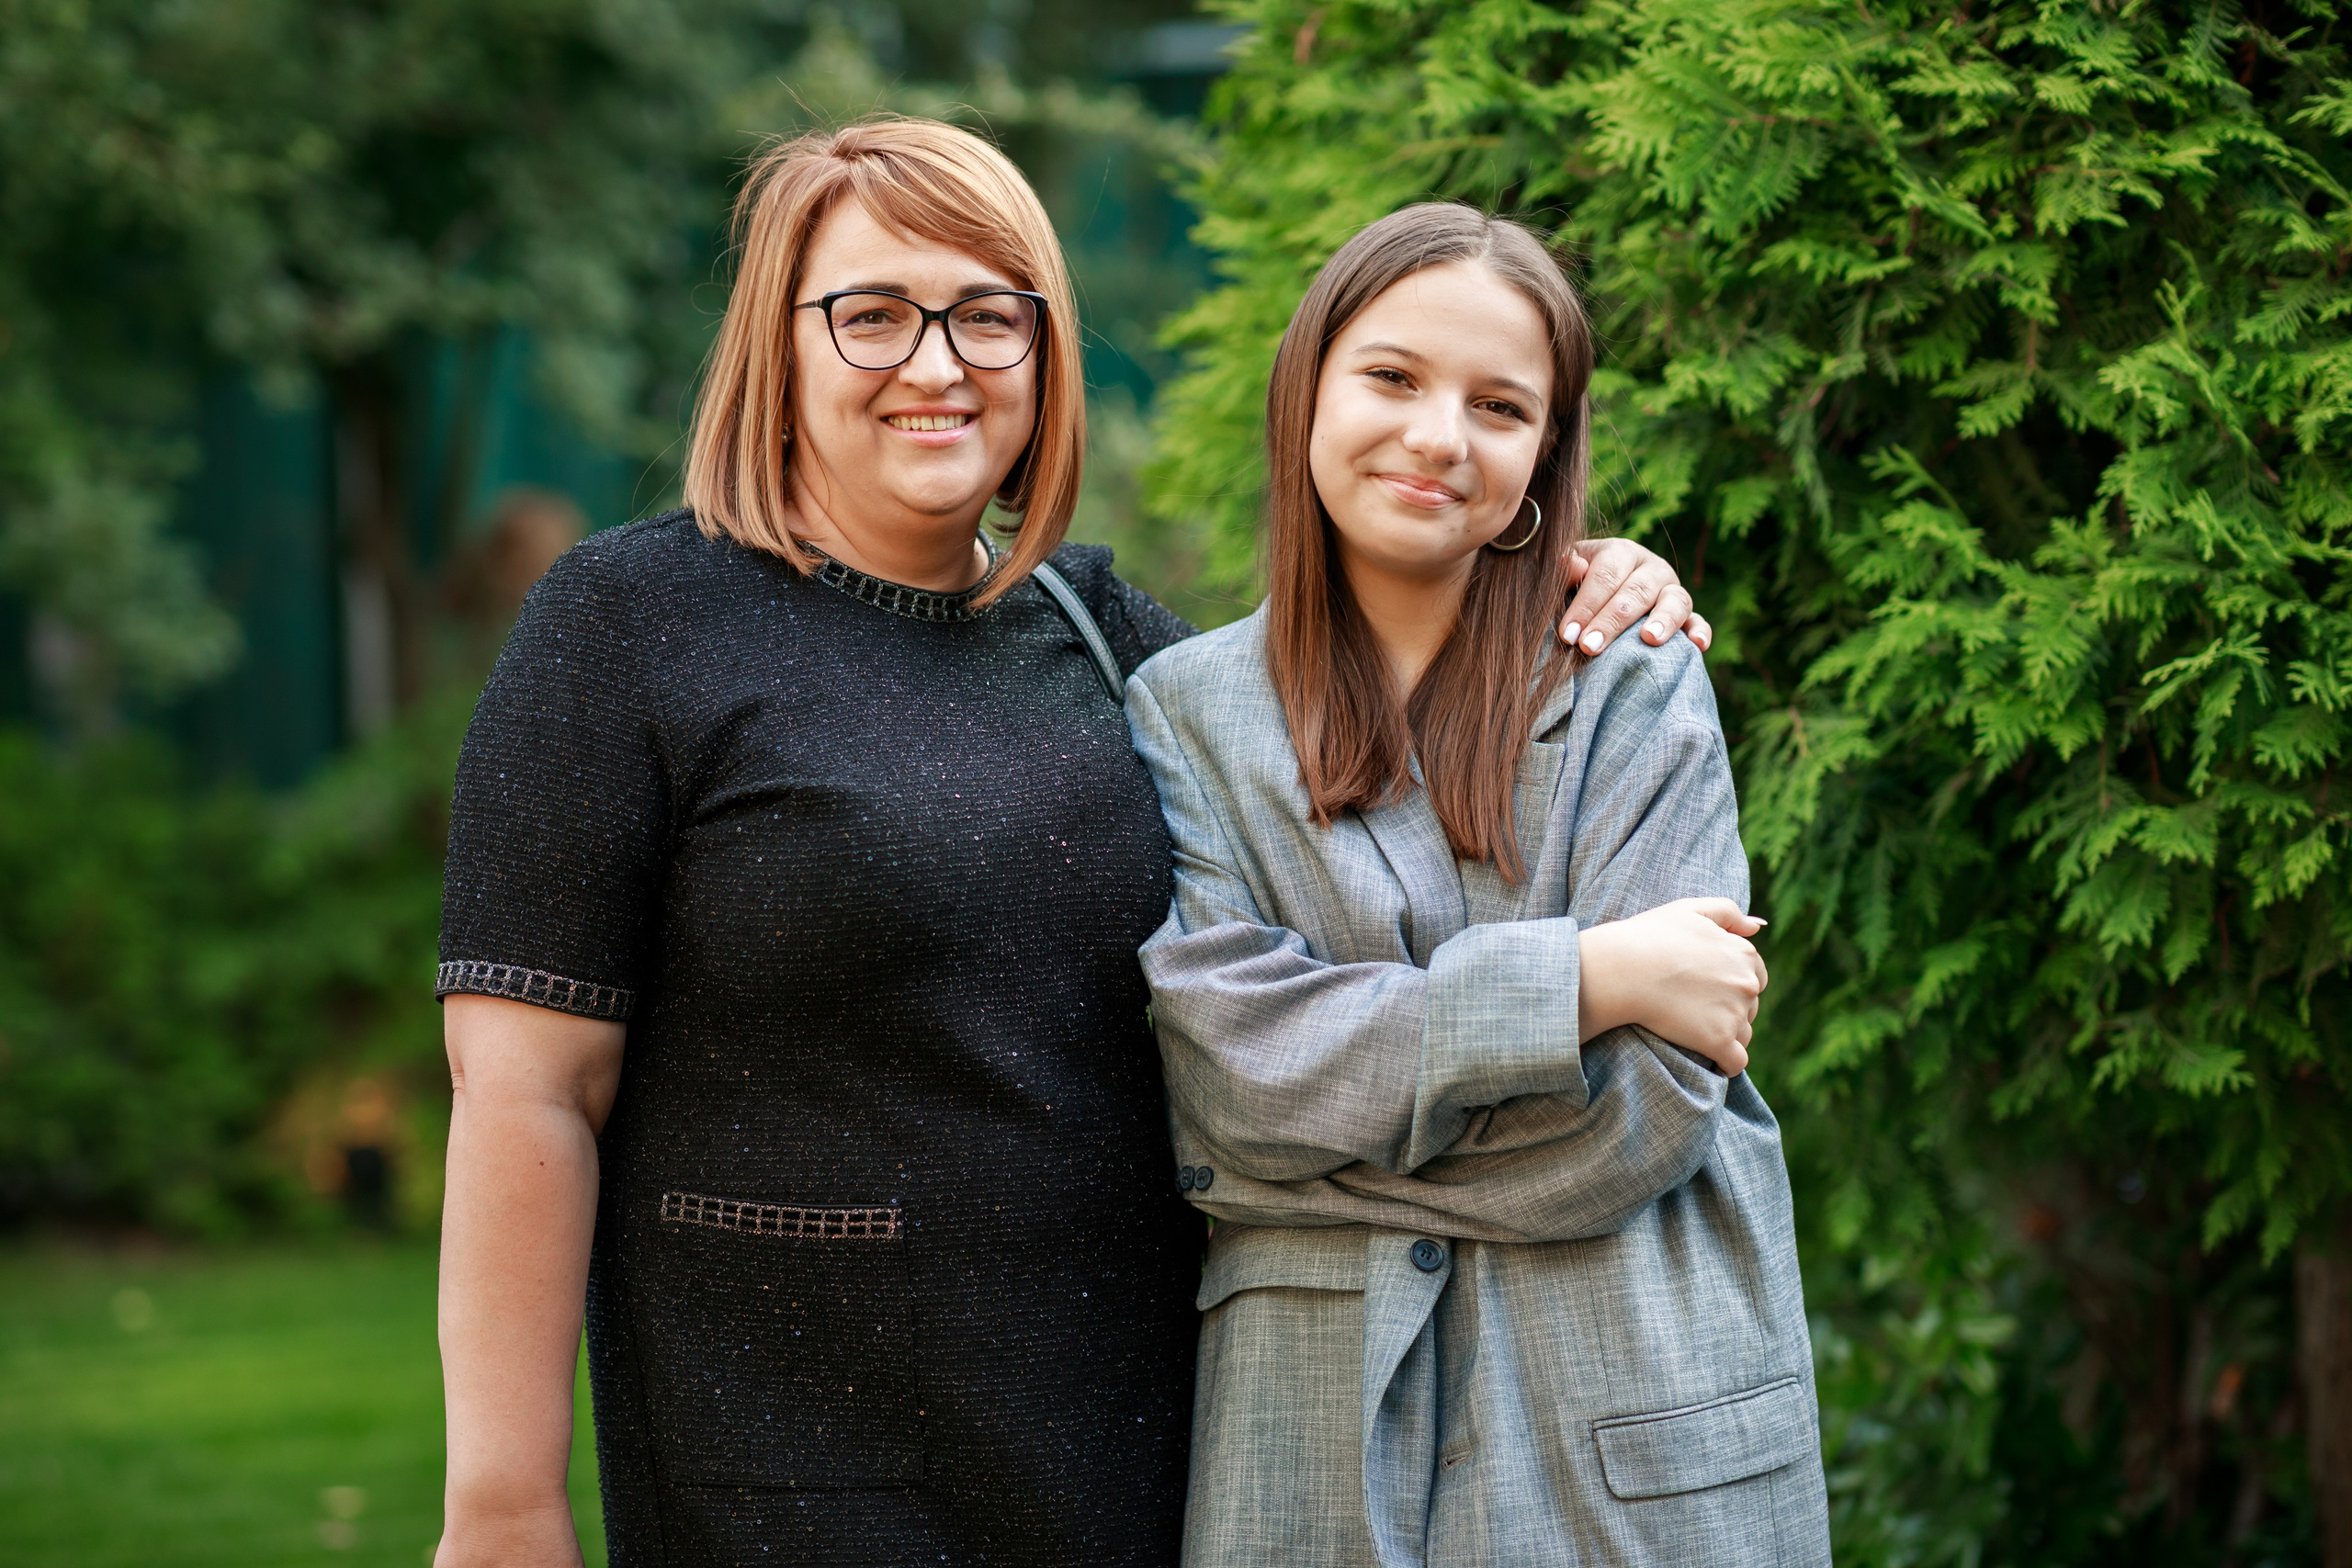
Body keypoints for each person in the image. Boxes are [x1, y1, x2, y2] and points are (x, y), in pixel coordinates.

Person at [430, 119, 1705, 1568]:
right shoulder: (629, 626)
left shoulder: (1116, 643)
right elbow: (528, 1090)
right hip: (789, 1456)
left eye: (989, 316)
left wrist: (1564, 572)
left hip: (1142, 1447)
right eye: (871, 315)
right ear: (774, 346)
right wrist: (504, 1505)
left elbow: (1389, 797)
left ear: (1043, 354)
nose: (938, 363)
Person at [1127, 203, 1830, 1566]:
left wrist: (1311, 1157)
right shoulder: (1187, 713)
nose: (1441, 436)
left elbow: (1652, 1106)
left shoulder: (1632, 684)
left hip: (1628, 1429)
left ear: (1543, 454)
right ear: (1307, 386)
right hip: (1314, 1451)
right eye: (1393, 377)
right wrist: (1589, 979)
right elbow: (1224, 1084)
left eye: (1501, 406)